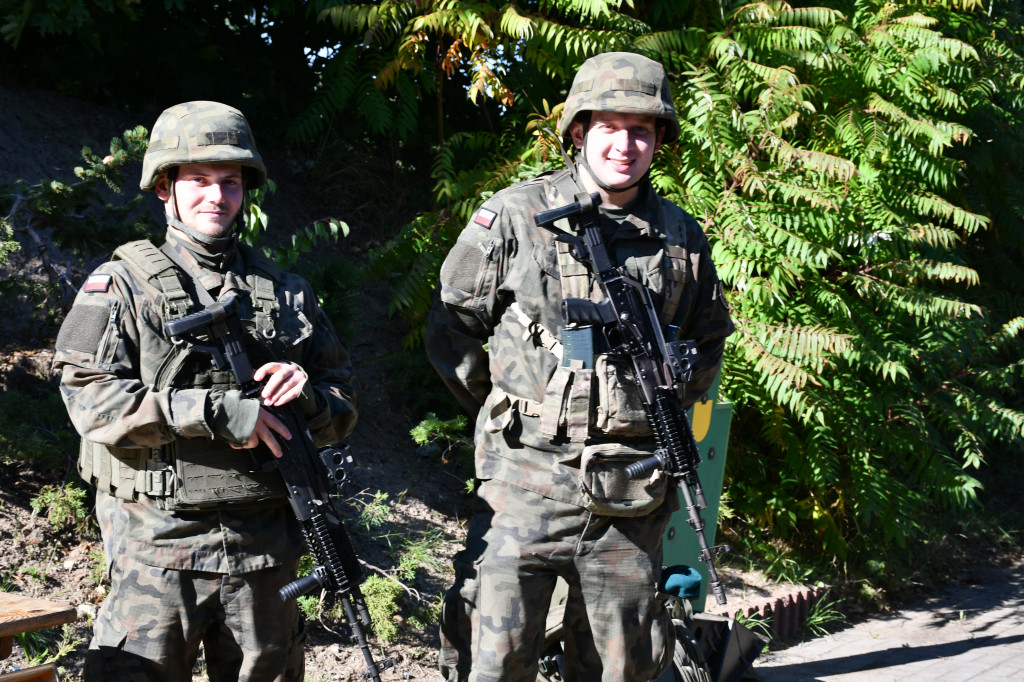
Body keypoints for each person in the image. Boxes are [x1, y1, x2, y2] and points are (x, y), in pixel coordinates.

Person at [424, 52, 735, 681]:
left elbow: (707, 346)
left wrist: (652, 399)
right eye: (609, 128)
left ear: (659, 142)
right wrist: (515, 410)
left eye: (642, 130)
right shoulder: (515, 215)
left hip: (631, 495)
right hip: (523, 487)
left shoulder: (680, 237)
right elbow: (452, 328)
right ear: (578, 131)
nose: (625, 144)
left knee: (622, 667)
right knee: (496, 660)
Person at [52, 101, 357, 681]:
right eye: (198, 180)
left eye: (231, 182)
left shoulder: (288, 292)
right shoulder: (120, 285)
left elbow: (342, 401)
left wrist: (310, 397)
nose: (216, 196)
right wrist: (213, 411)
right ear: (165, 188)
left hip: (266, 551)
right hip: (158, 548)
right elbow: (90, 401)